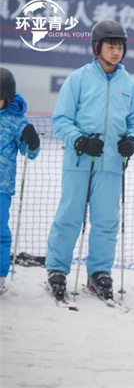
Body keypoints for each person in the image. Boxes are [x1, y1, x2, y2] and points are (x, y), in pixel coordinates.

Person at [45, 20, 134, 301]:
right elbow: (60, 120)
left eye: (120, 46)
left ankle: (99, 271)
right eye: (111, 45)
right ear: (97, 47)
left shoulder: (129, 85)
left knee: (106, 220)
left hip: (111, 164)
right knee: (70, 216)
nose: (116, 51)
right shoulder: (78, 79)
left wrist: (132, 141)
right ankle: (57, 268)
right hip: (79, 161)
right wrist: (79, 140)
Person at [0, 67, 41, 292]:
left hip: (1, 187)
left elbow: (30, 153)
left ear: (8, 99)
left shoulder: (16, 121)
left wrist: (32, 142)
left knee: (0, 231)